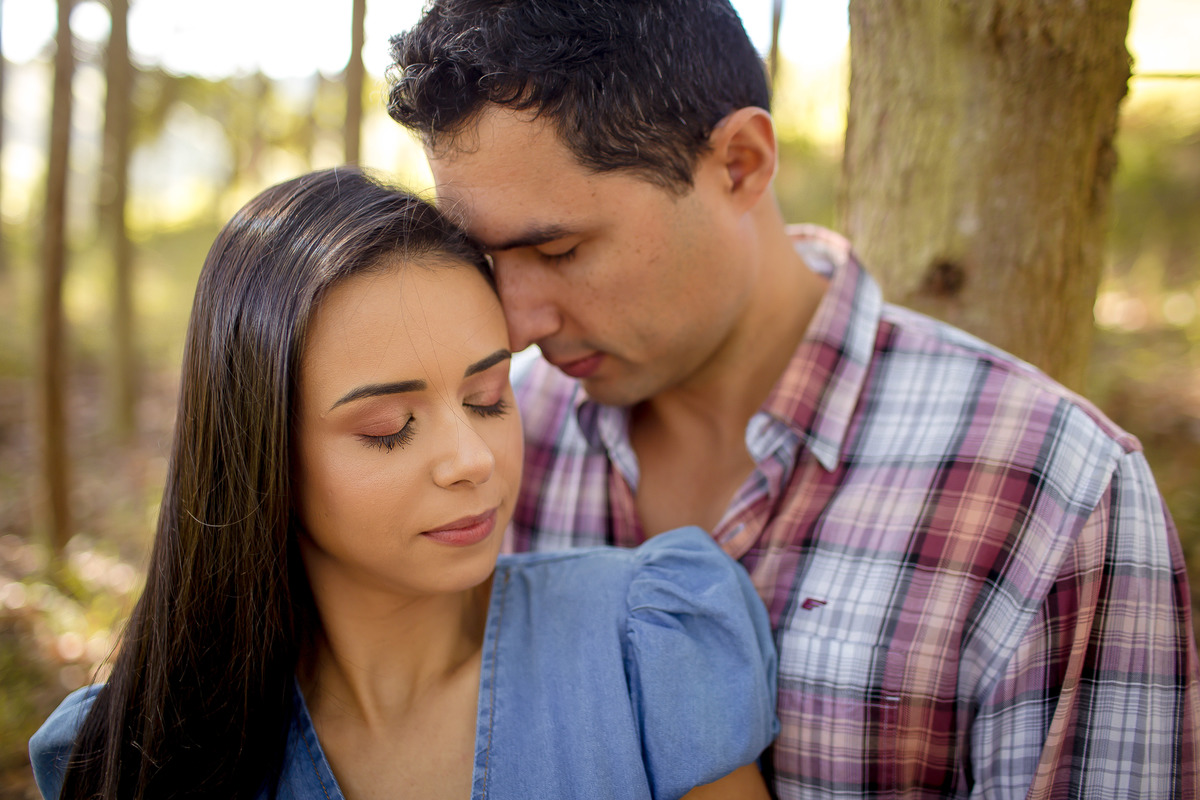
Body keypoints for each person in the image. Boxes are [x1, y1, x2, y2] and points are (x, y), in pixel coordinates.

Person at [387, 1, 1200, 797]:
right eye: (488, 260)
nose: (520, 322)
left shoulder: (1055, 496)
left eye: (559, 249)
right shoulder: (490, 449)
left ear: (740, 162)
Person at [28, 167, 778, 800]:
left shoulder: (645, 641)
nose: (471, 459)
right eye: (389, 426)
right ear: (261, 452)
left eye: (488, 398)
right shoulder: (129, 753)